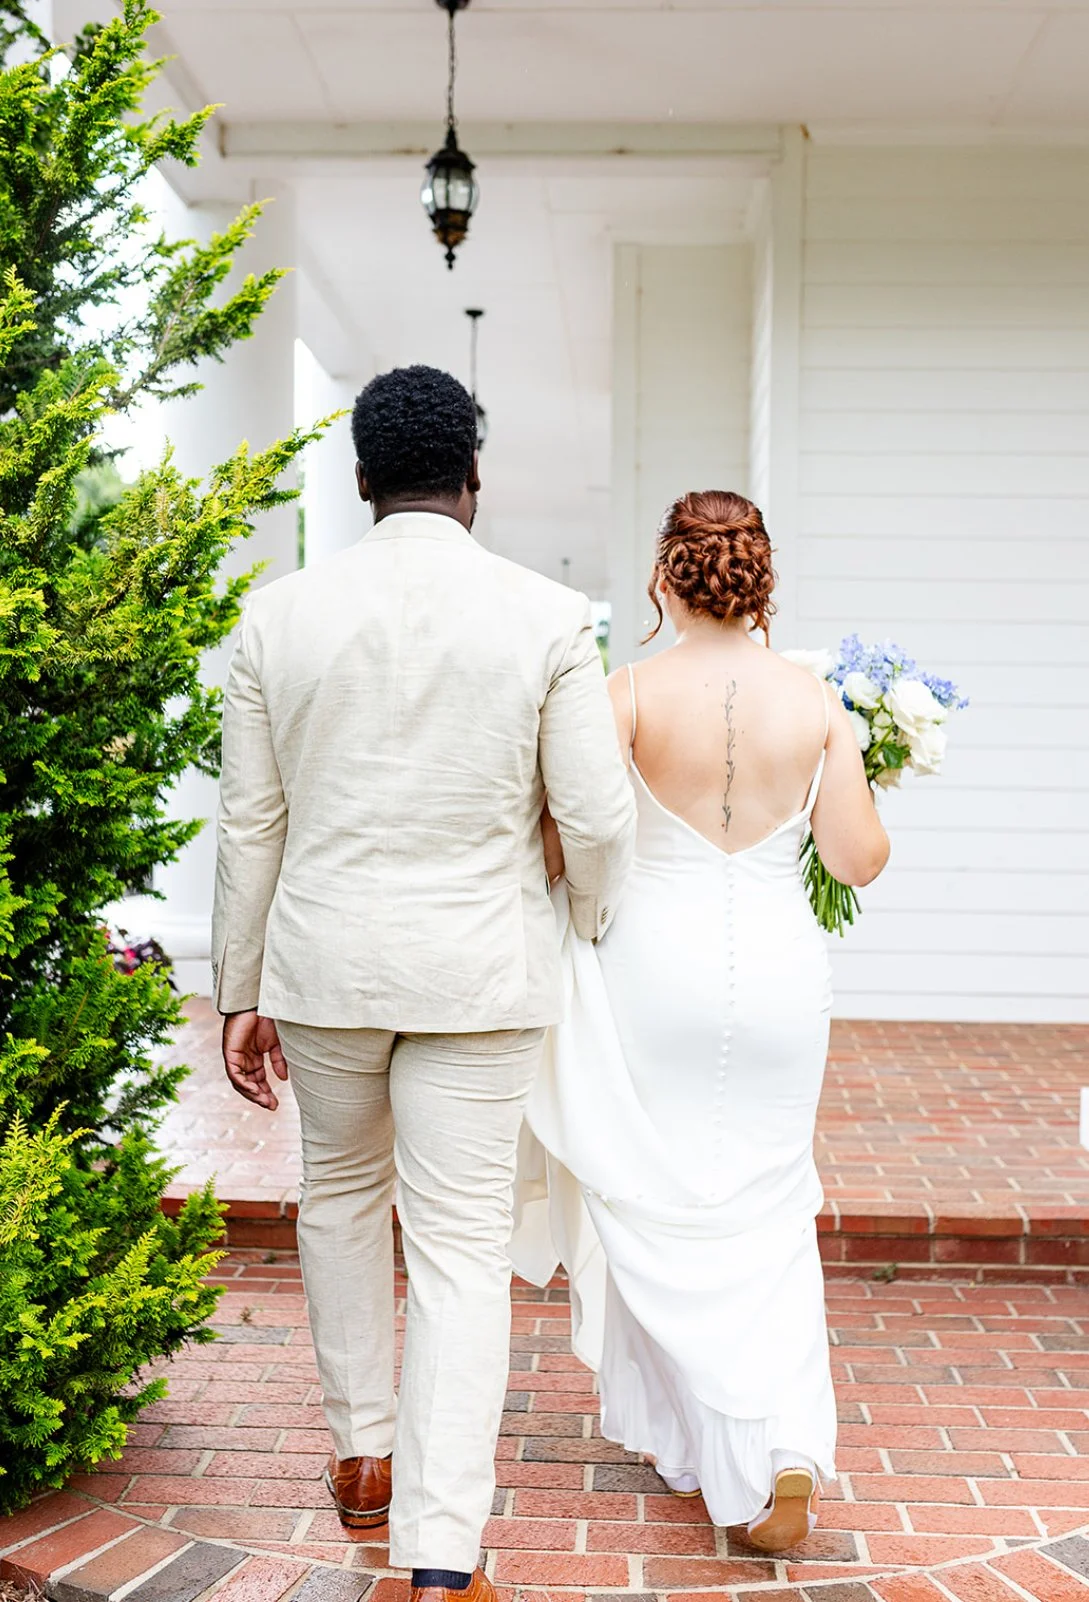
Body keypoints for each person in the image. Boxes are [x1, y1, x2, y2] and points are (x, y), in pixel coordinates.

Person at [212, 365, 636, 1602]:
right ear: (475, 482)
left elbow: (250, 825)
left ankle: (362, 1457)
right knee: (457, 1248)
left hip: (324, 968)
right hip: (481, 973)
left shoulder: (276, 618)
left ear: (358, 483)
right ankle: (442, 1554)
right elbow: (597, 816)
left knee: (338, 1198)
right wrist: (591, 914)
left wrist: (237, 990)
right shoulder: (548, 617)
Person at [517, 489, 889, 1553]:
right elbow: (857, 858)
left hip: (652, 973)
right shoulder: (818, 702)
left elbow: (561, 845)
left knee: (653, 1192)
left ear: (663, 576)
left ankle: (718, 1432)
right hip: (777, 978)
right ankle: (778, 1441)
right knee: (769, 1201)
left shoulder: (624, 691)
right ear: (758, 579)